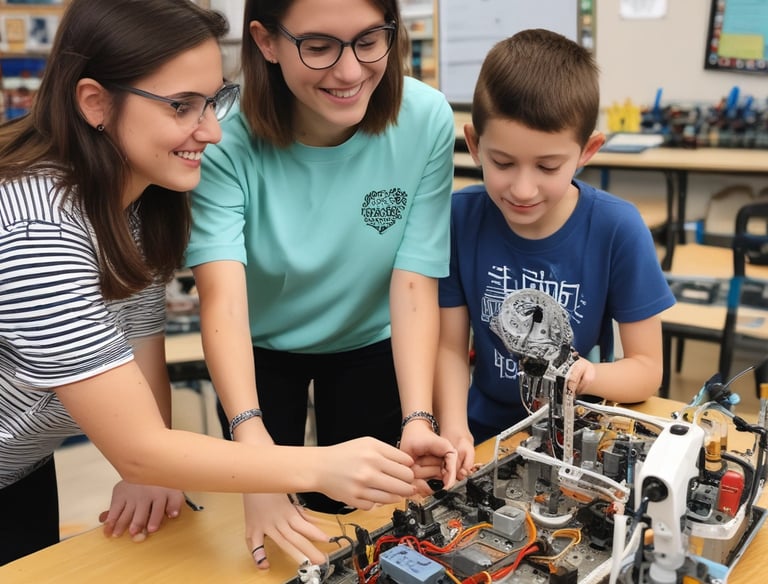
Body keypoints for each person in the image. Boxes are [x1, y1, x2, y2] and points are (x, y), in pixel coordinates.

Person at [0, 0, 418, 568]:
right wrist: (319, 466)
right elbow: (142, 448)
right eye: (181, 106)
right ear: (95, 102)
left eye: (214, 100)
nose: (213, 131)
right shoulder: (36, 231)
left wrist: (149, 470)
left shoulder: (138, 200)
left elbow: (142, 341)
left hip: (23, 462)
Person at [185, 0, 458, 569]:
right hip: (257, 349)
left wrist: (417, 418)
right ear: (265, 42)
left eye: (368, 40)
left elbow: (413, 285)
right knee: (271, 532)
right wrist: (253, 456)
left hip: (370, 342)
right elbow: (224, 301)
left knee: (363, 524)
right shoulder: (220, 136)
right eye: (318, 46)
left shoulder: (426, 119)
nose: (351, 71)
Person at [435, 29, 676, 478]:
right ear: (473, 144)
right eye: (502, 163)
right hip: (482, 433)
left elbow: (646, 370)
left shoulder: (616, 228)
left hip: (575, 435)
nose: (522, 189)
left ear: (588, 151)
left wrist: (590, 377)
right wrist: (453, 428)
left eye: (548, 167)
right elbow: (449, 347)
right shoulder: (459, 218)